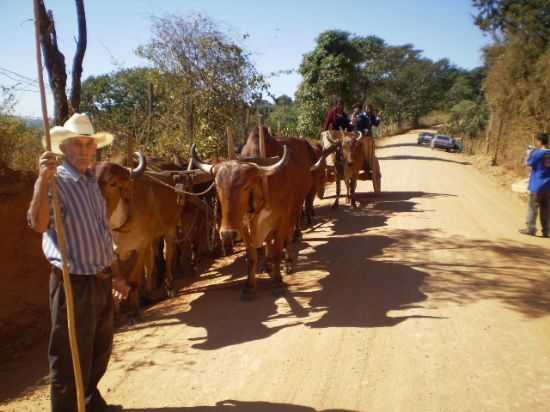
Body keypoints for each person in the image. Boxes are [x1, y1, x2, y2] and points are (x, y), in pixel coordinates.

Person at [27, 113, 127, 411]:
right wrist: (42, 181)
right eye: (77, 145)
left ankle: (89, 399)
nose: (84, 150)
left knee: (99, 348)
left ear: (95, 148)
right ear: (64, 148)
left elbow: (102, 233)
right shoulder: (55, 182)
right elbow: (38, 223)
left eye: (88, 144)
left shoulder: (90, 183)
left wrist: (117, 275)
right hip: (72, 283)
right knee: (69, 354)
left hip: (100, 279)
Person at [519, 132, 550, 237]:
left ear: (540, 141)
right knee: (546, 208)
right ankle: (547, 230)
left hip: (537, 185)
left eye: (536, 140)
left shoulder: (537, 153)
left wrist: (528, 153)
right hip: (548, 186)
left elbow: (527, 164)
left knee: (533, 207)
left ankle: (531, 228)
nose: (535, 142)